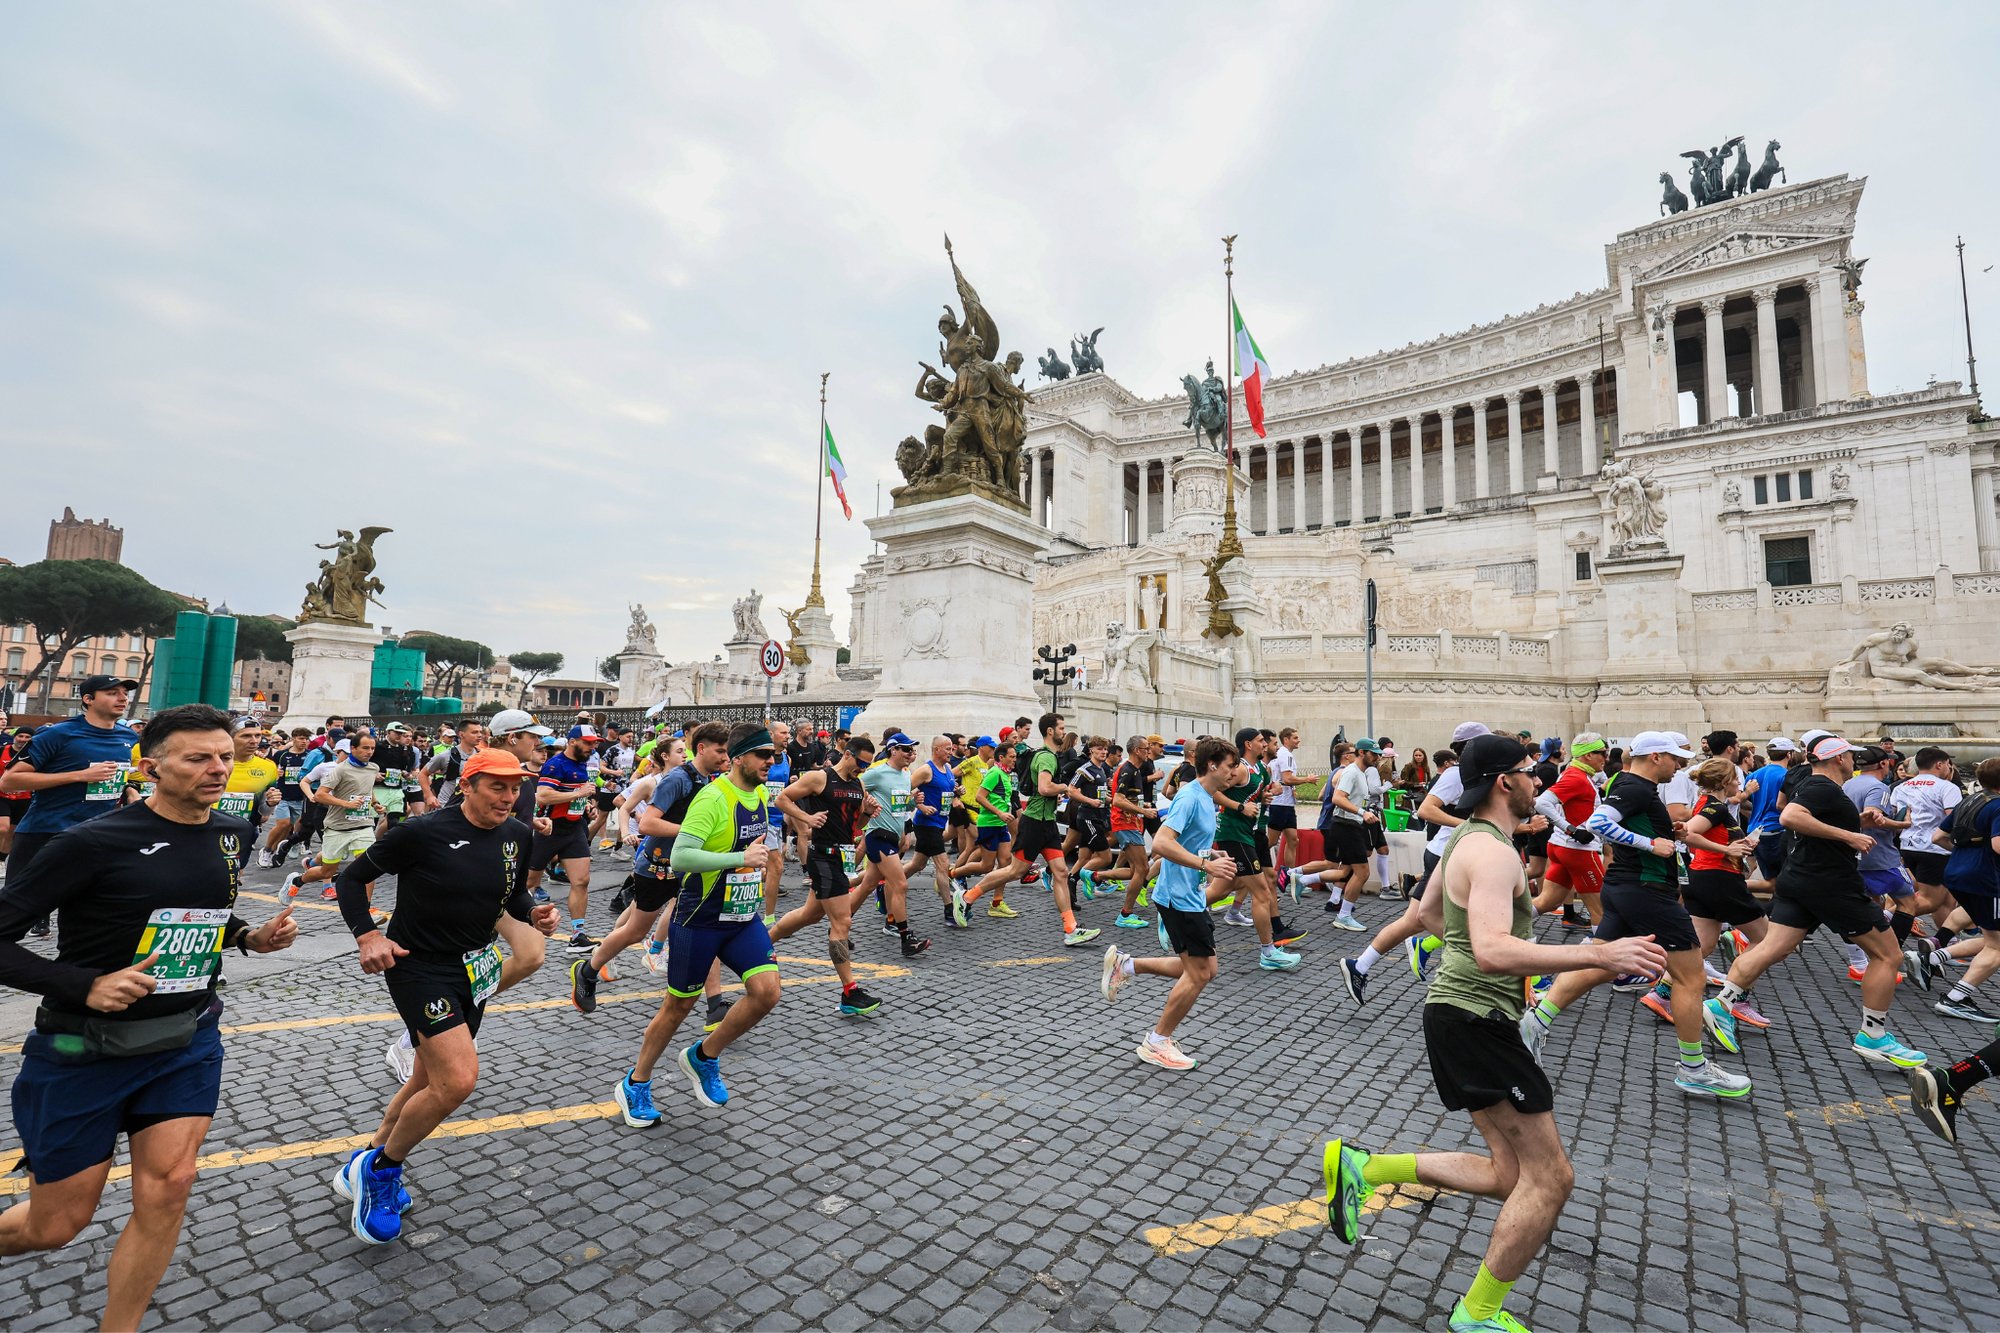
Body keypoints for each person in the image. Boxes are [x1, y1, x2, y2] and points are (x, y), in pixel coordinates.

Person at [1321, 734, 1666, 1333]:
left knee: (1510, 1173)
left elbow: (1426, 914)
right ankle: (1477, 1312)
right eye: (1533, 773)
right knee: (1552, 1177)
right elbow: (1489, 950)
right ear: (1505, 781)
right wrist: (1599, 955)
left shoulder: (1465, 841)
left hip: (1461, 1017)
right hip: (1475, 1019)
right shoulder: (1496, 852)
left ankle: (1364, 1169)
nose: (1541, 781)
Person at [0, 704, 299, 1328]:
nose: (218, 768)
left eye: (224, 755)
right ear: (151, 766)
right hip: (84, 1049)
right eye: (197, 758)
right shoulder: (89, 842)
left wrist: (248, 938)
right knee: (55, 1225)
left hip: (185, 1038)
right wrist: (82, 985)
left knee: (170, 1187)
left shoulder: (232, 833)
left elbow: (199, 914)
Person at [333, 748, 560, 1244]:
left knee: (426, 1078)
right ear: (469, 786)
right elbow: (350, 878)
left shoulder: (517, 835)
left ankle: (365, 1156)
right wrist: (368, 935)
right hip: (419, 967)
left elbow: (509, 894)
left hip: (473, 967)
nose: (508, 797)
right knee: (457, 1081)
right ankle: (383, 1171)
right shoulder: (422, 831)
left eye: (515, 787)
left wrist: (533, 912)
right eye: (497, 786)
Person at [1522, 733, 1752, 1099]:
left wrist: (1668, 834)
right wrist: (1651, 844)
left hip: (1626, 888)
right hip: (1648, 893)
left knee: (1603, 963)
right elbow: (1599, 823)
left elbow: (1630, 827)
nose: (1680, 765)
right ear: (1656, 757)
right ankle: (1693, 1068)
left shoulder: (1629, 785)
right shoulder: (1636, 788)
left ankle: (1535, 1022)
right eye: (1675, 758)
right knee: (1690, 978)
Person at [1704, 735, 1929, 1070]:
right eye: (1850, 756)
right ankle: (1874, 1035)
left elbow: (1806, 817)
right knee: (1888, 954)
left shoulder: (1818, 786)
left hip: (1802, 880)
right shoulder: (1822, 786)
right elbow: (1790, 816)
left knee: (1773, 947)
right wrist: (1849, 835)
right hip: (1830, 885)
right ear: (1838, 758)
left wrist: (1854, 824)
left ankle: (1721, 1006)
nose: (1854, 760)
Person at [613, 723, 783, 1123]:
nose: (771, 762)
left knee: (766, 992)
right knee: (678, 1006)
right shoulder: (711, 799)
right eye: (763, 755)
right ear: (739, 757)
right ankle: (635, 1083)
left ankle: (703, 1056)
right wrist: (739, 859)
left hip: (741, 916)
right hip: (700, 918)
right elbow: (682, 858)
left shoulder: (757, 793)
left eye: (772, 754)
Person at [1098, 736, 1241, 1070]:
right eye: (1231, 765)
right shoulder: (1191, 797)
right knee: (1199, 974)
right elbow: (1162, 843)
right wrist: (1206, 865)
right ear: (1212, 765)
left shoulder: (1207, 796)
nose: (1235, 771)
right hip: (1179, 898)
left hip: (1187, 894)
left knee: (1206, 969)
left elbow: (1188, 843)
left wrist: (1211, 854)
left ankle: (1126, 965)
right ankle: (1157, 1040)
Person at [770, 736, 881, 1015]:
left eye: (868, 765)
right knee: (841, 922)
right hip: (823, 855)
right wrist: (806, 820)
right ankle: (849, 992)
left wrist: (867, 813)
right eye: (861, 763)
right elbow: (781, 799)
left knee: (810, 914)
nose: (863, 769)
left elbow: (856, 824)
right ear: (848, 754)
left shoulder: (859, 783)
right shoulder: (820, 778)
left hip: (842, 855)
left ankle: (763, 941)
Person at [1926, 756, 2000, 1024]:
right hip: (1986, 879)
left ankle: (1935, 957)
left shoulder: (1968, 800)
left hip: (1957, 873)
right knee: (1997, 947)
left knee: (1993, 938)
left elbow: (1937, 837)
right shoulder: (1999, 806)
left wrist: (1962, 857)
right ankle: (1956, 998)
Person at [854, 733, 931, 956]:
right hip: (878, 835)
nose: (911, 754)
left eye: (912, 750)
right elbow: (854, 788)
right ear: (893, 750)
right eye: (906, 749)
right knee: (900, 884)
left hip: (893, 838)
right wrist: (864, 807)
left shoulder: (906, 775)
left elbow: (899, 803)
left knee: (867, 885)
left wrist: (912, 802)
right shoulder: (877, 773)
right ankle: (906, 938)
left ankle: (840, 924)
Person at [528, 724, 601, 954]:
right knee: (528, 882)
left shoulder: (582, 763)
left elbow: (576, 794)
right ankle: (504, 923)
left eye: (594, 743)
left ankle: (577, 936)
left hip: (575, 829)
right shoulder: (555, 764)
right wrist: (579, 794)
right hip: (549, 829)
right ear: (572, 741)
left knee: (581, 881)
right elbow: (544, 796)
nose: (592, 746)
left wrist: (587, 806)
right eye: (588, 742)